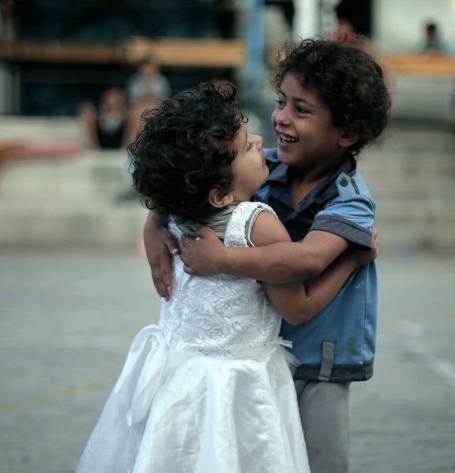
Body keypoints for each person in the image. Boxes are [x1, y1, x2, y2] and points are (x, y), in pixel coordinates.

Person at [75, 82, 378, 473]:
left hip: (179, 379)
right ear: (219, 193)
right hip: (240, 388)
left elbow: (169, 184)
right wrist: (354, 258)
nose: (261, 138)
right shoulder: (258, 222)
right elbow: (297, 302)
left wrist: (156, 222)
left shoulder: (189, 202)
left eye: (299, 108)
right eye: (248, 145)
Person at [142, 37, 390, 473]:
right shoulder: (264, 166)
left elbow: (308, 260)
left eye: (302, 109)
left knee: (317, 461)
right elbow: (195, 177)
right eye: (281, 101)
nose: (280, 118)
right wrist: (154, 222)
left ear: (347, 132)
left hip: (318, 359)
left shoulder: (349, 201)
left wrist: (223, 261)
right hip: (257, 357)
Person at [124, 59, 172, 145]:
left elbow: (163, 99)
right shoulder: (134, 81)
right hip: (137, 109)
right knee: (137, 113)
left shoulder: (161, 81)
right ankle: (130, 143)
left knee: (150, 111)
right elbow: (131, 100)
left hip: (156, 108)